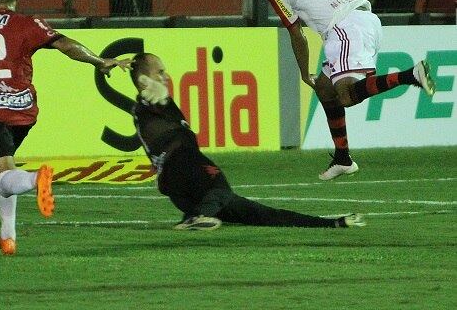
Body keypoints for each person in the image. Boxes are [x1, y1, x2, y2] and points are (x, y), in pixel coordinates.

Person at [0, 0, 131, 255]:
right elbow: (66, 45)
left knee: (2, 178)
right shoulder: (27, 23)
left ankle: (35, 179)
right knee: (5, 170)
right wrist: (99, 61)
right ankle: (8, 236)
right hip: (23, 112)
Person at [265, 0, 436, 180]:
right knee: (325, 89)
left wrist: (303, 71)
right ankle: (343, 159)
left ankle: (411, 75)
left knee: (345, 96)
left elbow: (296, 33)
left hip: (343, 28)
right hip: (364, 19)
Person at [130, 53, 365, 230]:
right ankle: (197, 217)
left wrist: (161, 99)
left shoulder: (154, 107)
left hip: (181, 188)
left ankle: (331, 224)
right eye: (159, 72)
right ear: (144, 79)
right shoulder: (145, 105)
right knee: (220, 189)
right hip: (184, 165)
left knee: (258, 213)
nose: (165, 76)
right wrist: (150, 94)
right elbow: (150, 102)